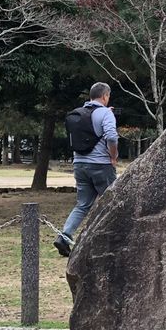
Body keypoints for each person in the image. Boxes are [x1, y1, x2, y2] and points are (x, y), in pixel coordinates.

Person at [55, 82, 119, 259]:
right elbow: (112, 136)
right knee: (112, 202)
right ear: (105, 96)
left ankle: (64, 236)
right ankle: (111, 239)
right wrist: (113, 157)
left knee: (82, 204)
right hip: (101, 165)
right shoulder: (105, 113)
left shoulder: (78, 114)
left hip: (79, 164)